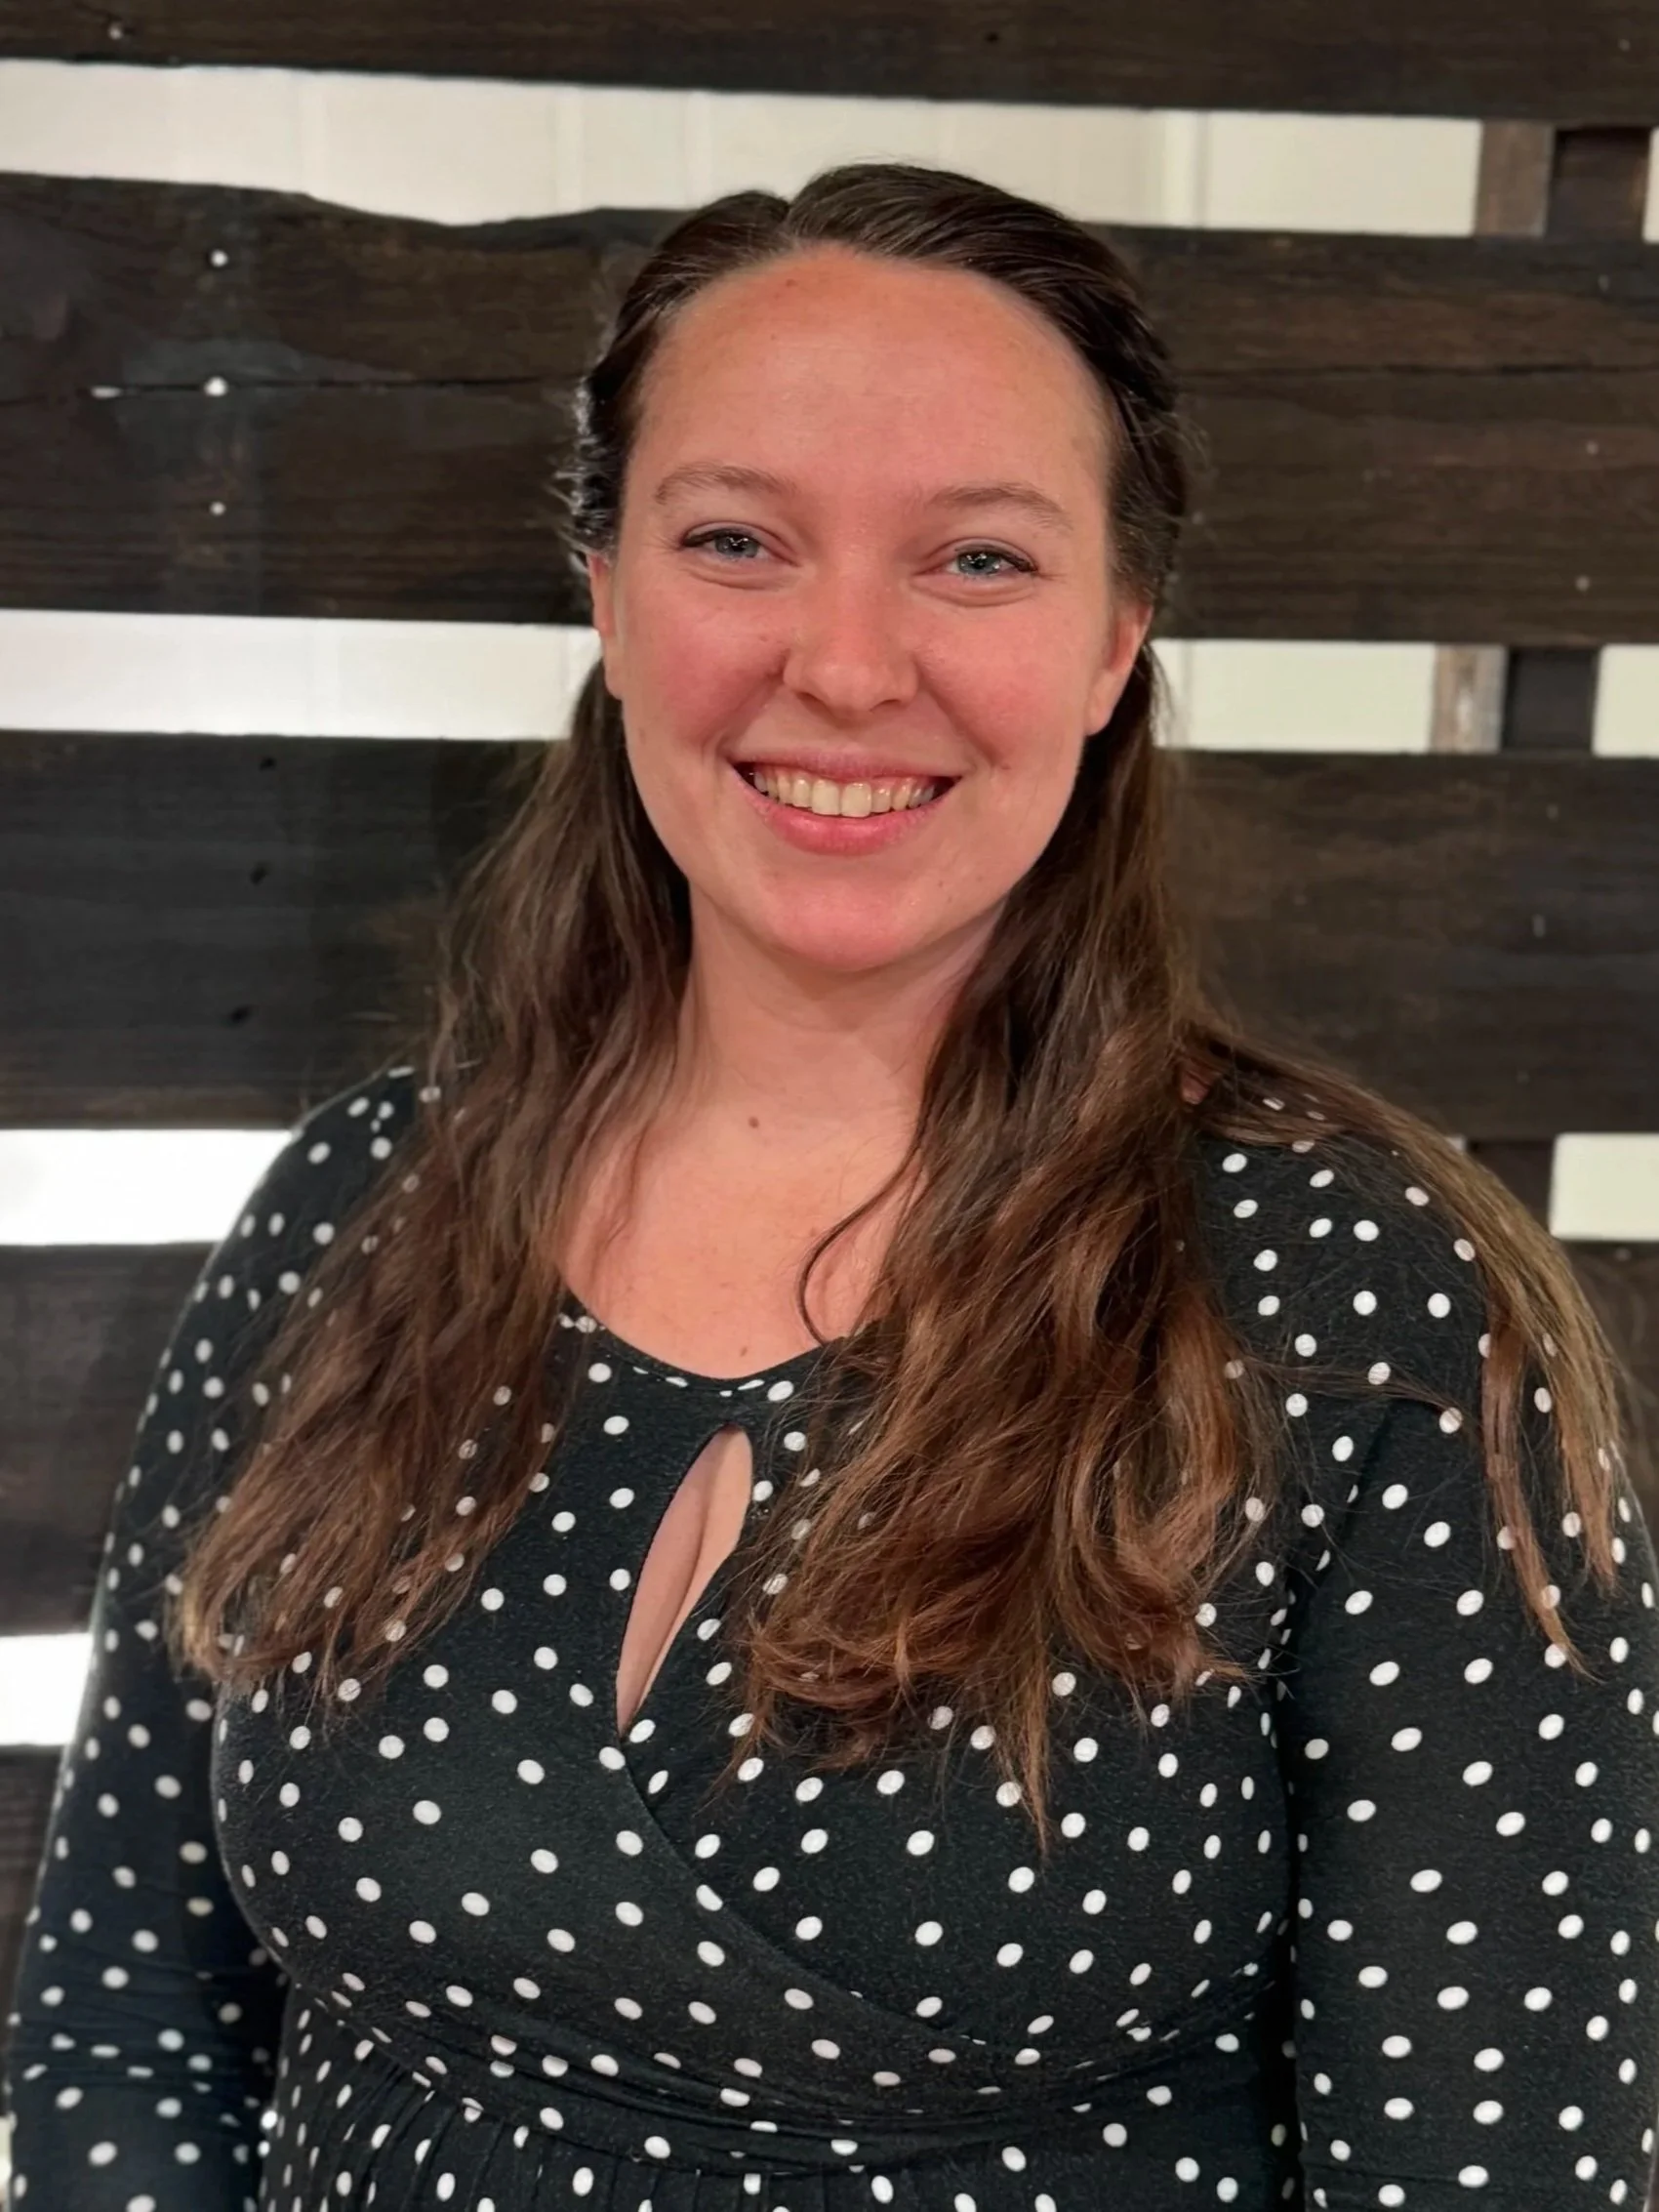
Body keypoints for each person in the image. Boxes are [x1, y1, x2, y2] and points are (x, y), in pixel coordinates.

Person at [5, 157, 1658, 2212]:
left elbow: (1494, 2160)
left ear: (1115, 636)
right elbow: (123, 2019)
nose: (848, 666)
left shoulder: (1364, 1302)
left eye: (974, 556)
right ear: (606, 596)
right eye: (735, 540)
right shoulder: (359, 1214)